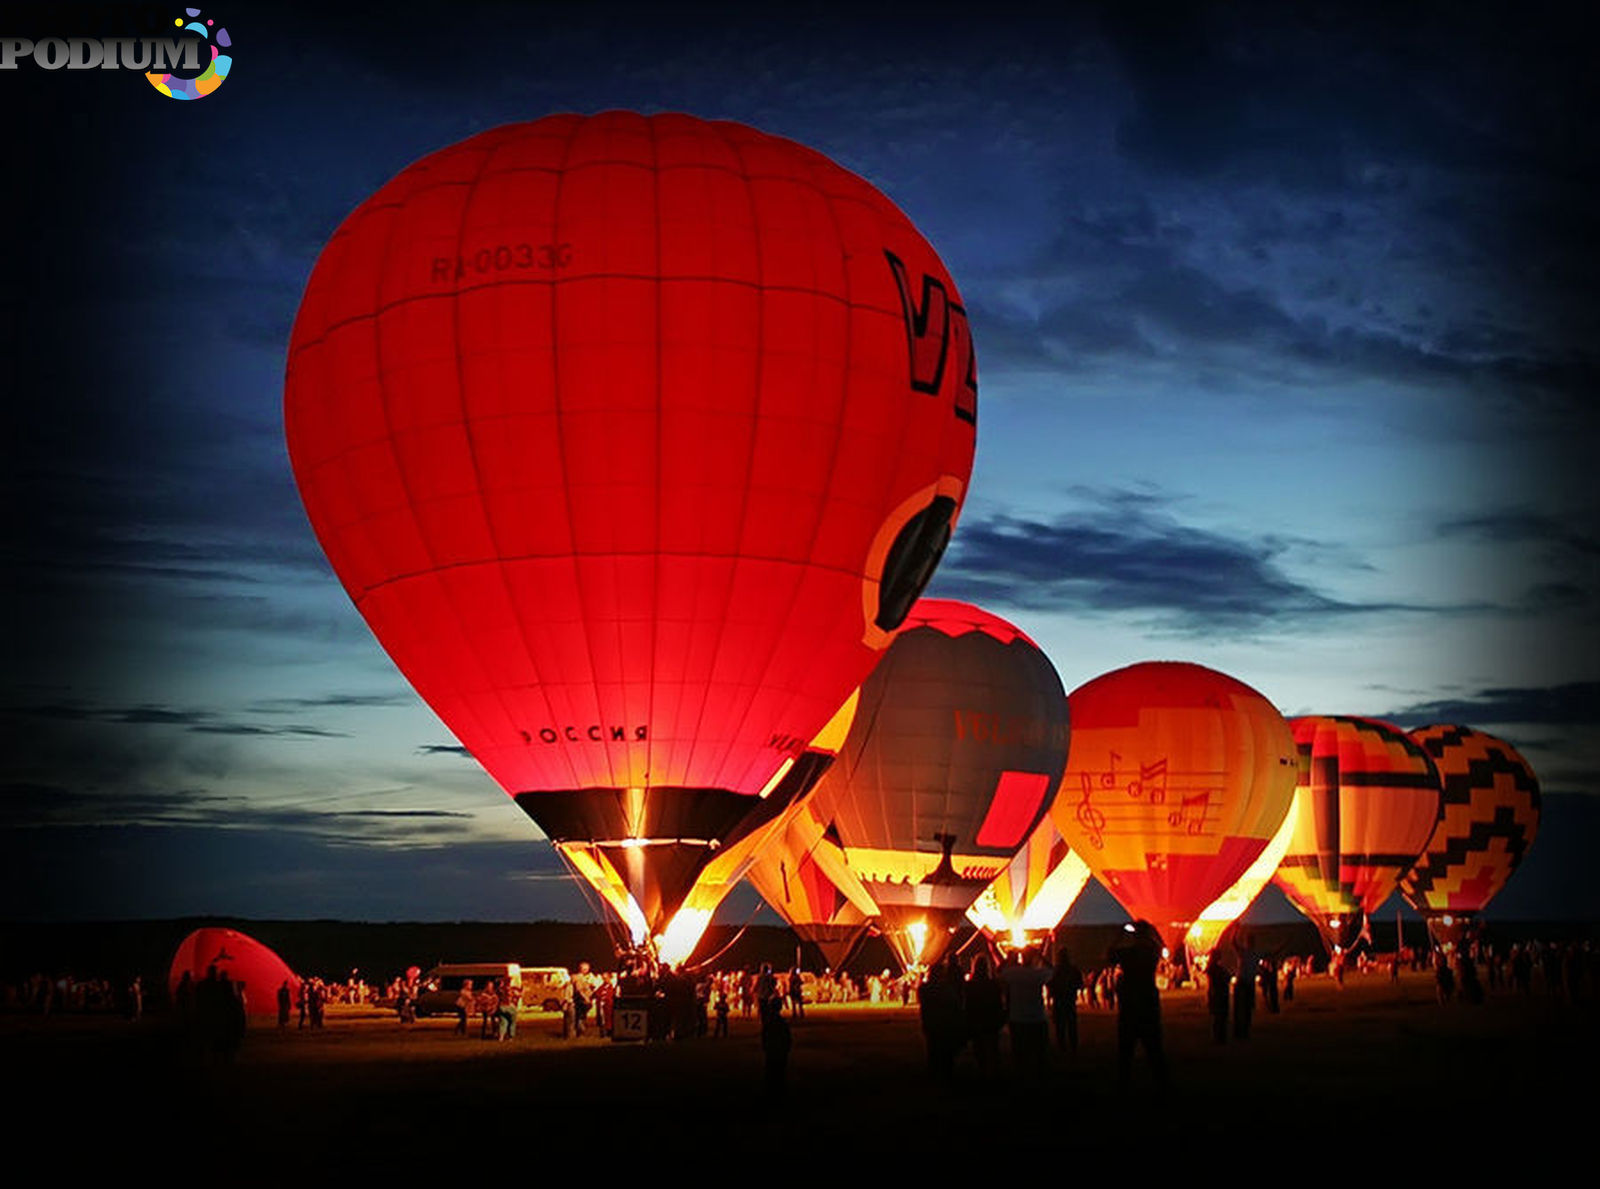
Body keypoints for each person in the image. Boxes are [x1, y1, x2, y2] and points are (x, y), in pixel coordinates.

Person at [1109, 921, 1168, 1088]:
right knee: (1154, 1049)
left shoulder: (1127, 953)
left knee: (1125, 1052)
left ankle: (1123, 1084)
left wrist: (1120, 936)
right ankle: (1162, 1084)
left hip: (1129, 1007)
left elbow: (1110, 954)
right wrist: (1151, 932)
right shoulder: (1151, 953)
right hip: (1148, 1004)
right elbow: (1160, 946)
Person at [998, 946, 1053, 1073]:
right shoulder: (1038, 974)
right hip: (1037, 1018)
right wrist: (1040, 955)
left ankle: (1022, 1077)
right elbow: (1051, 969)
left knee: (1020, 1053)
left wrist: (1009, 958)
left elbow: (999, 971)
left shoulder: (1013, 973)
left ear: (1020, 958)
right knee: (1040, 1053)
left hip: (1018, 1019)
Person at [918, 955, 966, 1081]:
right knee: (945, 1050)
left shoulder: (924, 988)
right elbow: (954, 1003)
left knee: (932, 1049)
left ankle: (933, 1073)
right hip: (944, 1023)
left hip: (930, 1022)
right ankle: (946, 1074)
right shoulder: (946, 988)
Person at [964, 954, 1004, 1074]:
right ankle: (994, 1071)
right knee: (993, 1046)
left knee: (979, 1047)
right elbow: (998, 1002)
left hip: (976, 1019)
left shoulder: (969, 985)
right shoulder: (993, 984)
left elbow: (967, 1003)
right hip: (991, 1019)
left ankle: (982, 1069)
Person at [1047, 950, 1083, 1056]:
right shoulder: (1073, 970)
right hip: (1069, 1000)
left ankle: (1062, 1047)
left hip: (1060, 1001)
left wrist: (1050, 999)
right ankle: (1073, 1047)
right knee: (1071, 1025)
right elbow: (1079, 983)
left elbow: (1050, 985)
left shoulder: (1056, 971)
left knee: (1060, 1026)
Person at [760, 996, 792, 1099]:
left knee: (771, 1071)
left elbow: (764, 1035)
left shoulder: (769, 1022)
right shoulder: (783, 1022)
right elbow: (787, 1037)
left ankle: (772, 1092)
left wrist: (765, 1046)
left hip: (772, 1049)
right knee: (779, 1071)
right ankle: (779, 1091)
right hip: (780, 1050)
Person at [1206, 955, 1232, 1044]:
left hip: (1217, 993)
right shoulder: (1217, 969)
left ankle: (1218, 1036)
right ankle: (1220, 1036)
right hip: (1220, 993)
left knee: (1218, 1017)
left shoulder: (1213, 969)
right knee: (1221, 1016)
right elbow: (1227, 977)